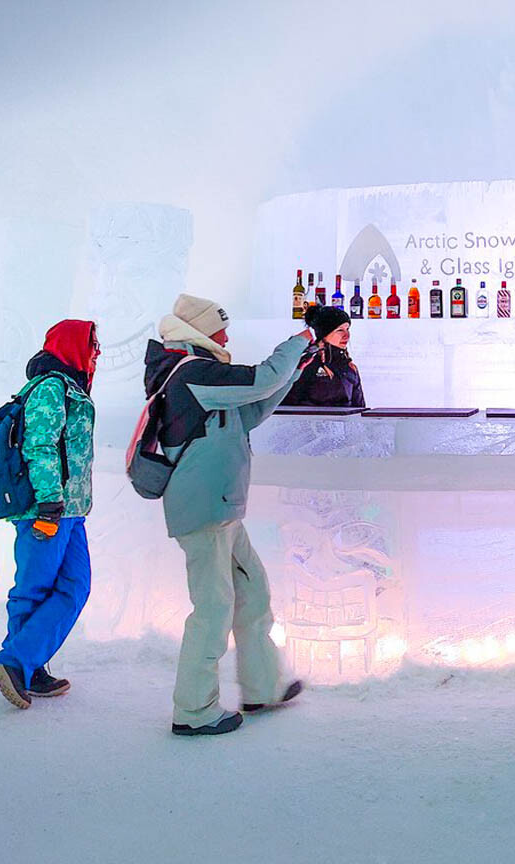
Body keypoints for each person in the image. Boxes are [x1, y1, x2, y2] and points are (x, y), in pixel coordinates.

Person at [144, 293, 306, 736]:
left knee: (252, 595)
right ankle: (194, 712)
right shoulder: (192, 372)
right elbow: (259, 379)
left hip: (221, 507)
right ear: (199, 329)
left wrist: (297, 368)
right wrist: (299, 340)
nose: (227, 335)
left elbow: (249, 411)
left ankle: (263, 687)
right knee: (213, 610)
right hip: (203, 509)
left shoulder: (197, 371)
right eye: (220, 328)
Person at [0, 320, 100, 709]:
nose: (97, 351)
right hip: (47, 508)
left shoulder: (69, 386)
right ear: (72, 346)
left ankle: (25, 662)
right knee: (33, 589)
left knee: (75, 586)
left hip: (71, 511)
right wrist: (50, 500)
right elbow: (40, 444)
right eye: (92, 343)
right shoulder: (51, 387)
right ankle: (19, 665)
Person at [281, 304, 365, 407]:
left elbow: (359, 410)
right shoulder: (305, 364)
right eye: (340, 330)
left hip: (344, 423)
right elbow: (286, 407)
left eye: (347, 329)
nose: (346, 335)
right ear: (324, 334)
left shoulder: (349, 368)